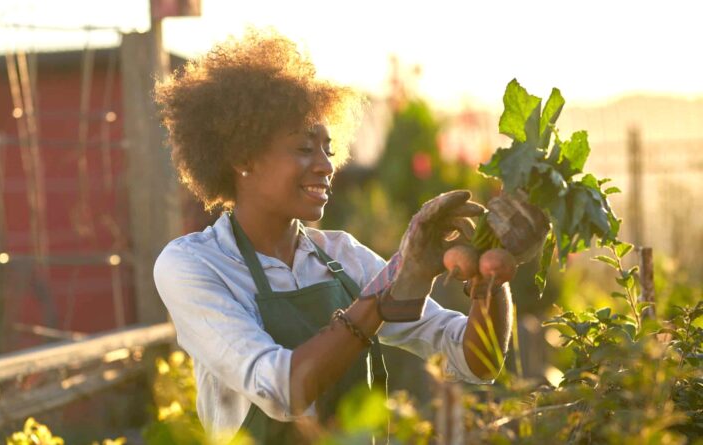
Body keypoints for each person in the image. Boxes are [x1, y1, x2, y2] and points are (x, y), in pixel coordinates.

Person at [153, 29, 546, 443]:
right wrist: (386, 290)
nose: (325, 166)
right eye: (305, 148)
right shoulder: (194, 266)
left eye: (329, 149)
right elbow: (282, 389)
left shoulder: (341, 256)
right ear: (242, 157)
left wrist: (489, 273)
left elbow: (476, 361)